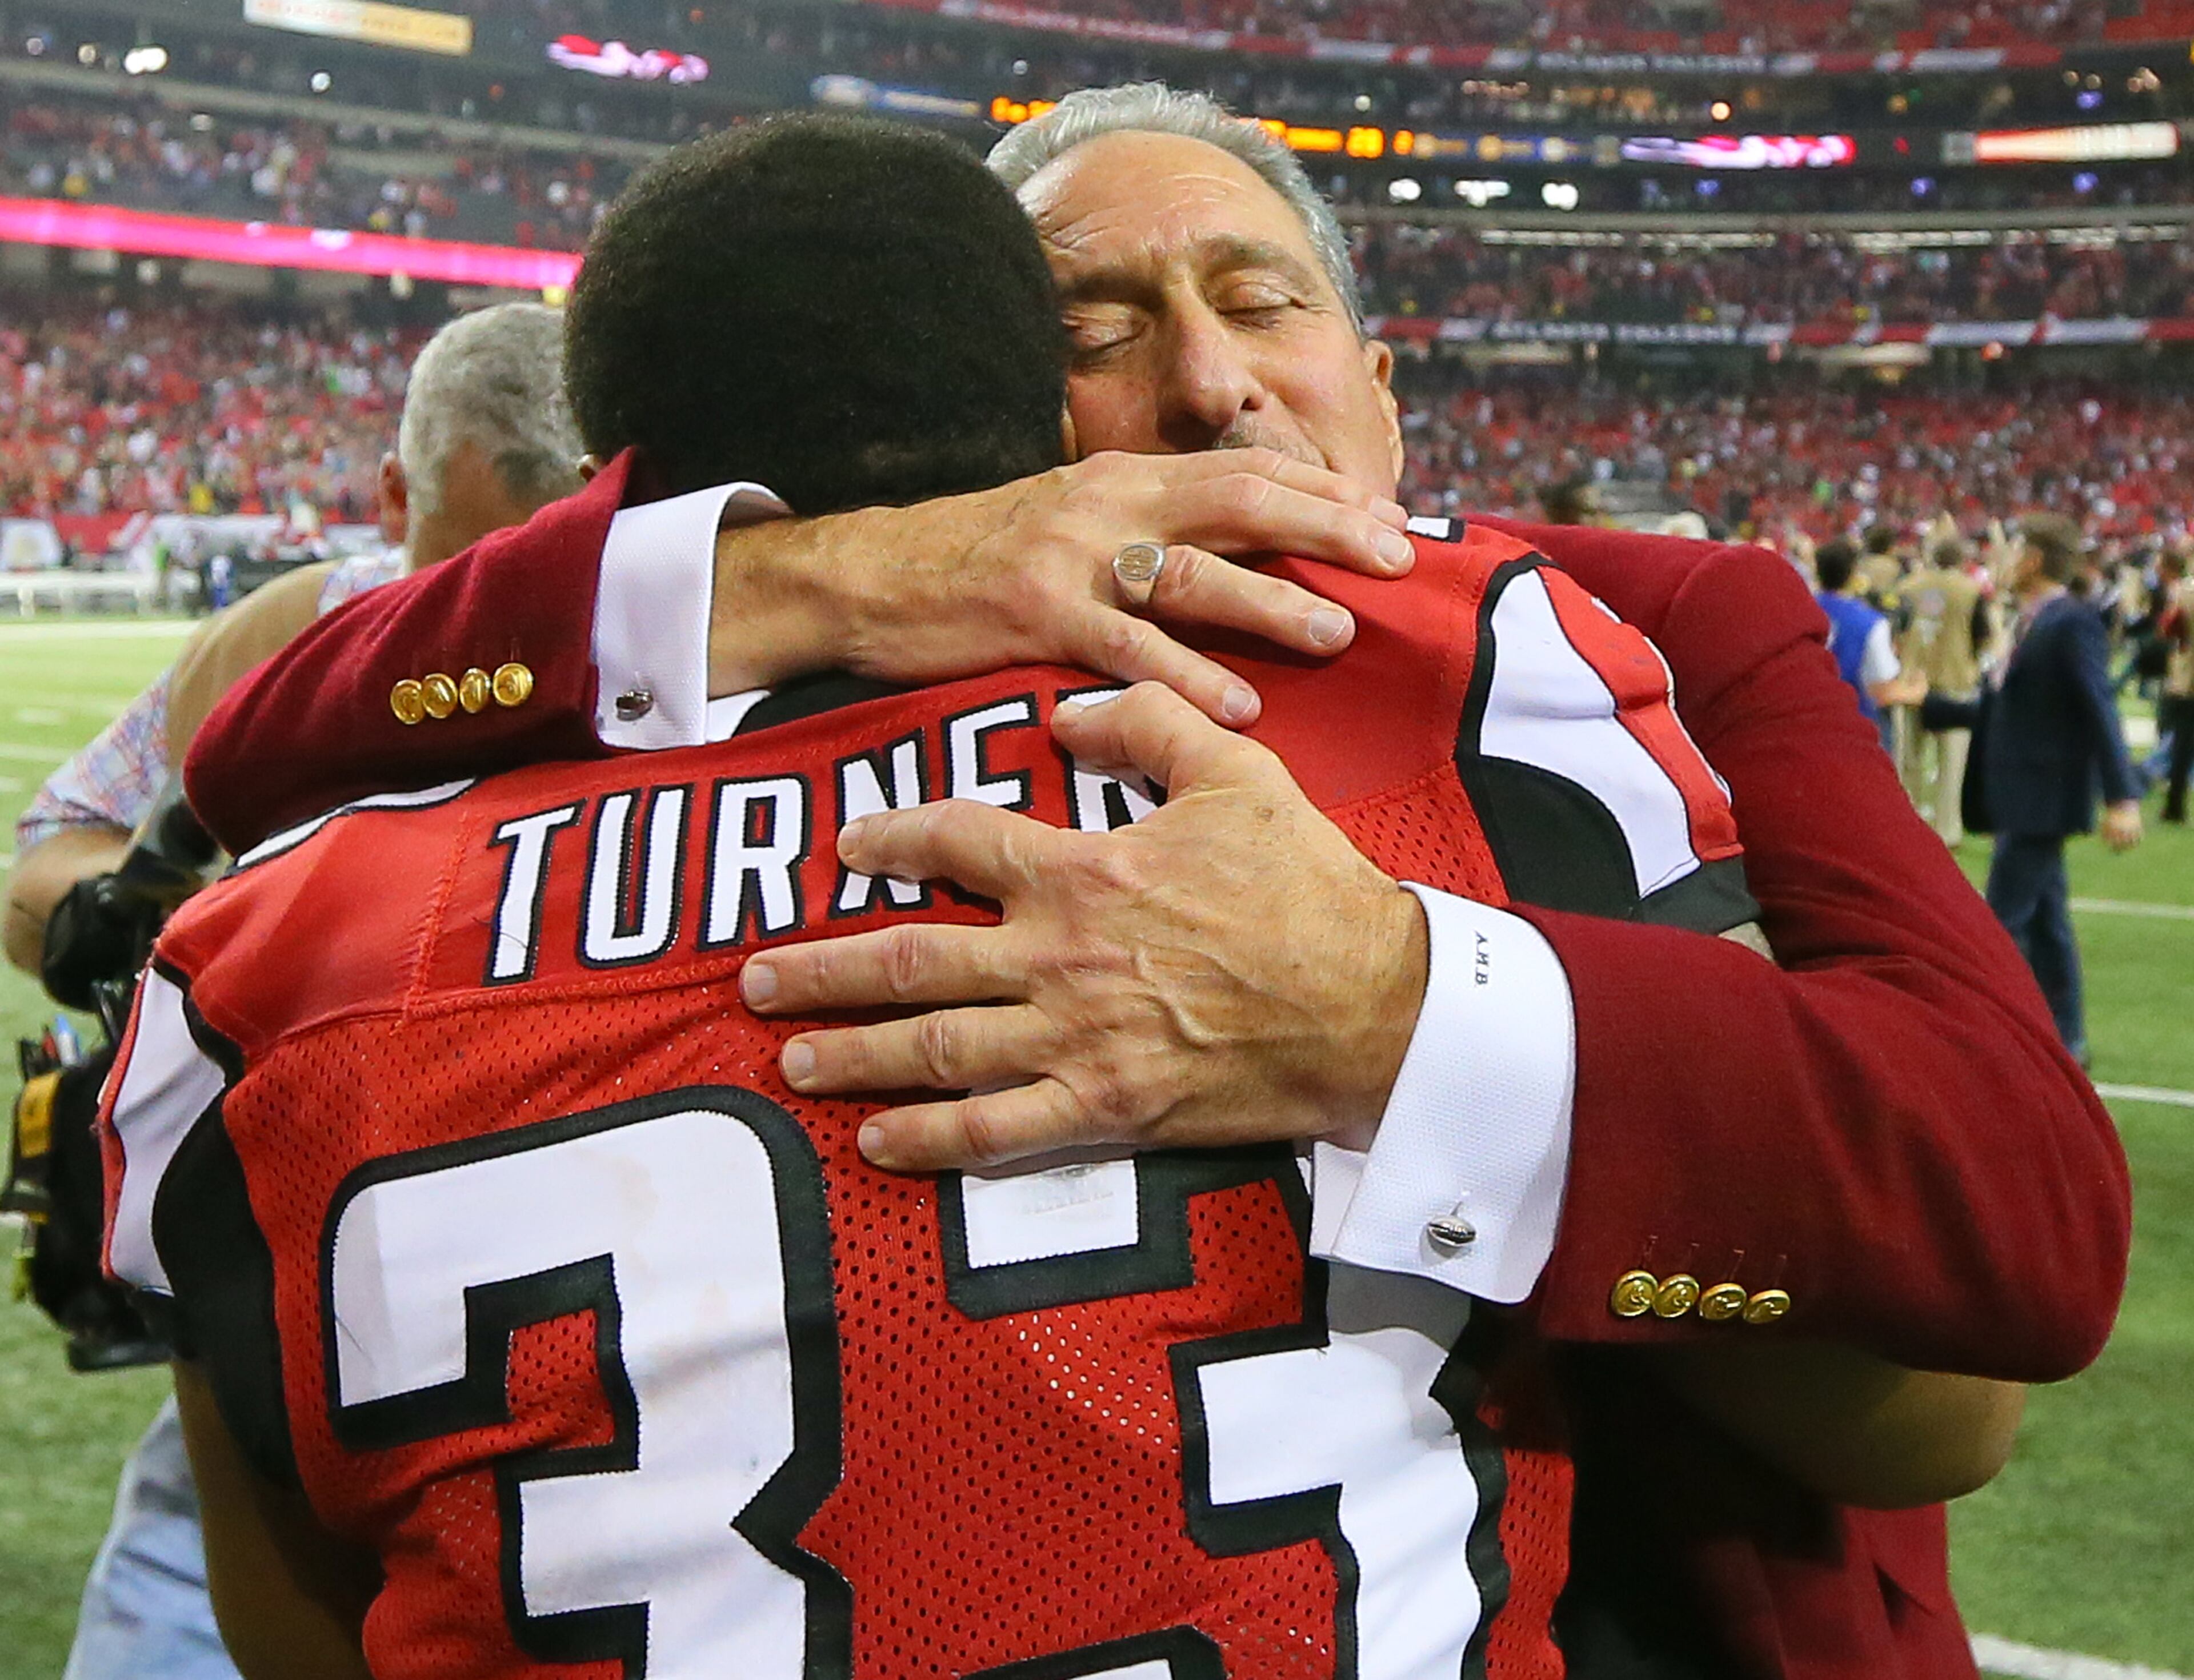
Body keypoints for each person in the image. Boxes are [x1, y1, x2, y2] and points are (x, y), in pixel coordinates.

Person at [175, 87, 2128, 1679]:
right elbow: (262, 719)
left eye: (1262, 301)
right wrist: (801, 569)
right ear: (1000, 433)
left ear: (1381, 381)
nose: (1210, 387)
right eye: (1094, 336)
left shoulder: (1628, 620)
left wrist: (1391, 1011)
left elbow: (1956, 1378)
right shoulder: (943, 676)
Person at [3, 301, 580, 1680]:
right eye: (468, 560)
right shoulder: (301, 632)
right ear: (392, 501)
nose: (493, 613)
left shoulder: (708, 628)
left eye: (548, 564)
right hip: (295, 1281)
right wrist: (145, 929)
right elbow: (56, 846)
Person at [1930, 514, 2145, 1062]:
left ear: (2032, 559)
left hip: (2042, 798)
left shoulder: (2069, 622)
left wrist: (2122, 797)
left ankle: (1992, 1039)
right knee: (2048, 927)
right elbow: (2013, 708)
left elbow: (2099, 705)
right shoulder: (2032, 619)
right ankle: (2066, 1038)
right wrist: (1938, 707)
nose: (2001, 559)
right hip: (2024, 796)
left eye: (2013, 550)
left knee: (2000, 925)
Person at [1896, 527, 1989, 844]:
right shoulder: (1972, 591)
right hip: (1956, 682)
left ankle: (1907, 825)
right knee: (1951, 767)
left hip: (1912, 682)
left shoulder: (1908, 587)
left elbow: (1896, 632)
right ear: (1961, 559)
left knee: (1909, 763)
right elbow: (1983, 636)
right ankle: (1947, 830)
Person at [1812, 538, 1923, 747]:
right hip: (1853, 730)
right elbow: (1883, 691)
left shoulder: (1799, 612)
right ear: (1853, 574)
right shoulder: (1871, 622)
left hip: (1806, 724)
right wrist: (1916, 692)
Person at [2157, 548, 2193, 823]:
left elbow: (2170, 628)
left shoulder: (2184, 590)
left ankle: (2175, 806)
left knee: (2183, 742)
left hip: (2187, 675)